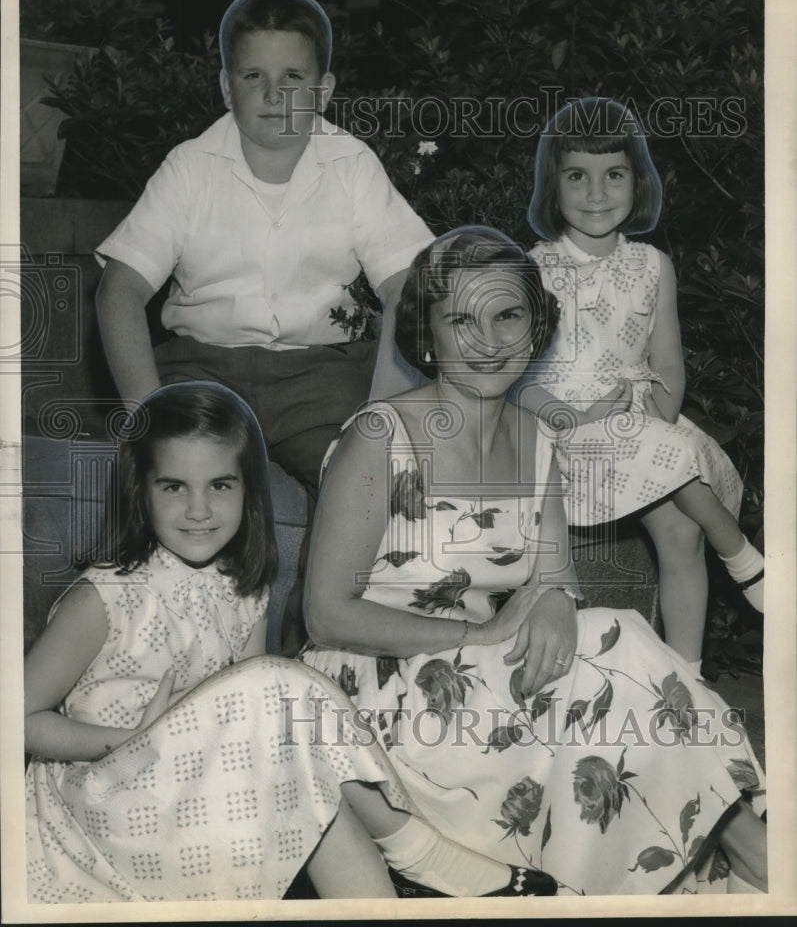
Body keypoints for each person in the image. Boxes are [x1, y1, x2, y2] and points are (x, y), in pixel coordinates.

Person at [300, 226, 767, 896]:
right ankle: (749, 841)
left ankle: (719, 842)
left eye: (507, 315)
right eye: (461, 319)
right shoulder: (380, 438)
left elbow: (555, 584)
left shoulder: (540, 441)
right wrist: (478, 634)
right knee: (618, 640)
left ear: (535, 326)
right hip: (379, 694)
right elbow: (325, 614)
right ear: (426, 335)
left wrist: (551, 599)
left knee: (610, 637)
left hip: (477, 669)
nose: (488, 341)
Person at [24, 381, 558, 903]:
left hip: (187, 798)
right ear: (140, 489)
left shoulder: (244, 590)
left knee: (303, 776)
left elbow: (260, 734)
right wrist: (122, 741)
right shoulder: (107, 596)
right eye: (173, 486)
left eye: (220, 485)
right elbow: (16, 720)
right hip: (100, 809)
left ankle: (396, 893)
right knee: (279, 687)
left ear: (247, 490)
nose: (198, 509)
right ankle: (422, 856)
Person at [93, 0, 433, 655]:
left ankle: (322, 653)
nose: (275, 95)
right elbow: (118, 291)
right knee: (172, 481)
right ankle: (155, 648)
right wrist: (144, 415)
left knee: (374, 482)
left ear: (325, 89)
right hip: (204, 363)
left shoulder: (350, 165)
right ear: (226, 88)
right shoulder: (190, 168)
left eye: (294, 78)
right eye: (254, 76)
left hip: (322, 372)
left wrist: (380, 413)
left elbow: (410, 288)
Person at [511, 97, 764, 669]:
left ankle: (686, 679)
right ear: (551, 188)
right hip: (563, 438)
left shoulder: (653, 266)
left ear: (638, 182)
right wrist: (570, 417)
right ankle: (745, 559)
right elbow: (516, 380)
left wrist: (661, 409)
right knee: (670, 459)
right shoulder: (533, 268)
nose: (596, 193)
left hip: (641, 423)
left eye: (614, 175)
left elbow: (669, 363)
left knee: (680, 529)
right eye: (577, 176)